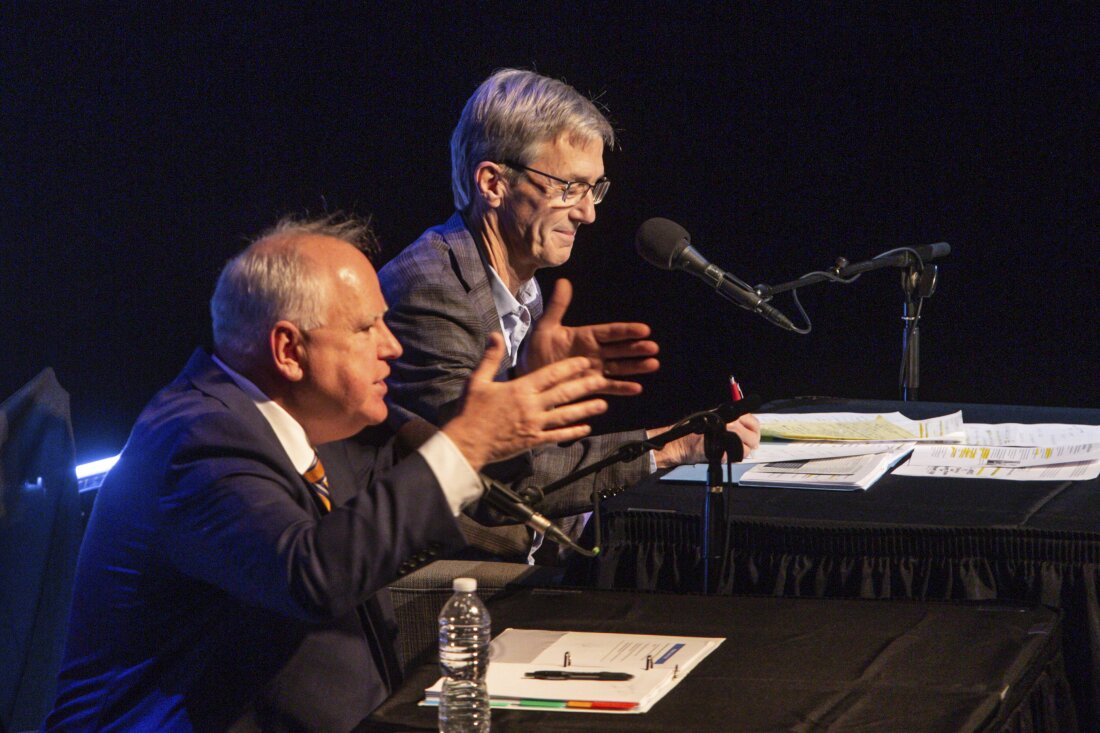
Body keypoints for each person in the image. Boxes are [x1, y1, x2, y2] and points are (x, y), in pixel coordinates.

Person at [44, 215, 635, 732]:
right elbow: (312, 575)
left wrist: (513, 398)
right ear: (288, 350)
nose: (392, 347)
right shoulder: (197, 439)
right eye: (365, 329)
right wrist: (470, 438)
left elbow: (469, 495)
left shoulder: (334, 428)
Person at [379, 68, 760, 560]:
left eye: (593, 189)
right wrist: (671, 446)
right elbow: (497, 480)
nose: (588, 213)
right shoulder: (428, 290)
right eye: (569, 188)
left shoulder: (522, 284)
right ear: (493, 183)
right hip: (451, 583)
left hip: (531, 554)